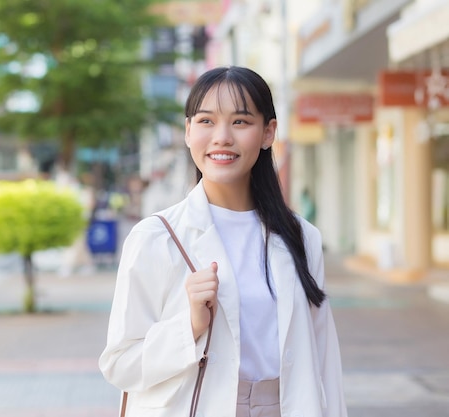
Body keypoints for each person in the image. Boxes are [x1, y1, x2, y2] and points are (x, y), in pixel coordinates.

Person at [98, 66, 348, 417]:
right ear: (187, 132)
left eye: (241, 122)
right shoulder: (155, 238)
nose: (222, 137)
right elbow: (120, 364)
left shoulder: (301, 238)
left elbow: (324, 360)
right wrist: (190, 326)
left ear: (268, 132)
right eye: (205, 121)